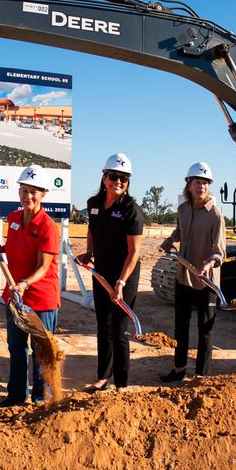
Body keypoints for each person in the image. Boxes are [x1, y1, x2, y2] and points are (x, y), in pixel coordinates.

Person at [81, 153, 145, 391]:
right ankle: (103, 377)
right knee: (102, 325)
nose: (118, 181)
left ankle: (122, 383)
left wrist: (120, 282)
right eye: (113, 176)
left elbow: (134, 251)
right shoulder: (94, 204)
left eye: (123, 178)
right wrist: (88, 252)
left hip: (124, 276)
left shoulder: (131, 210)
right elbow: (91, 230)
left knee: (119, 330)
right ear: (104, 177)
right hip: (101, 273)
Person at [159, 161, 226, 381]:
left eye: (206, 183)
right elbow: (180, 231)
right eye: (198, 182)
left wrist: (209, 263)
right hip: (184, 277)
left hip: (206, 281)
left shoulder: (215, 215)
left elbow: (220, 251)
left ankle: (201, 376)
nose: (202, 187)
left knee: (205, 329)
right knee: (181, 326)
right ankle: (179, 369)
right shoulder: (182, 210)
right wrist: (170, 240)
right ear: (189, 184)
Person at [0, 164, 61, 406]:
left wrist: (25, 283)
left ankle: (40, 398)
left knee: (41, 350)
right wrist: (0, 248)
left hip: (40, 298)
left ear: (43, 194)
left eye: (34, 191)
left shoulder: (48, 227)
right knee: (16, 346)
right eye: (24, 190)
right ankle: (16, 396)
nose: (28, 196)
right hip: (15, 296)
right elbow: (15, 247)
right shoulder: (14, 218)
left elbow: (43, 266)